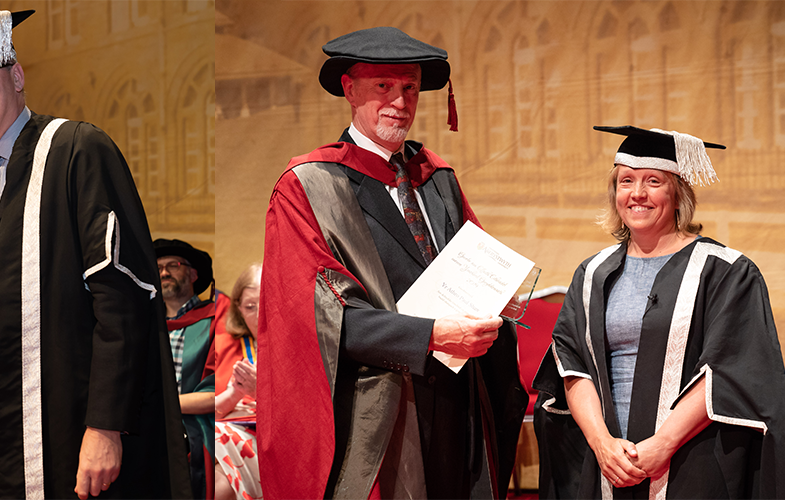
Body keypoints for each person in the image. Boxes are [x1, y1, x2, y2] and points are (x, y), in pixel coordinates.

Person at [0, 10, 188, 499]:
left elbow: (120, 297)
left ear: (16, 76)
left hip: (62, 406)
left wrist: (105, 425)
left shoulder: (77, 151)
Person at [258, 26, 527, 499]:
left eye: (409, 88)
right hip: (377, 406)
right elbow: (319, 317)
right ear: (350, 89)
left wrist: (499, 299)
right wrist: (430, 336)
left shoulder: (436, 177)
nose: (399, 102)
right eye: (383, 86)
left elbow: (475, 261)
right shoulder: (309, 186)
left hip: (457, 393)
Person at [533, 126, 785, 497]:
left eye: (653, 181)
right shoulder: (592, 273)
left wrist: (663, 444)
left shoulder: (726, 271)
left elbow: (728, 368)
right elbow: (571, 364)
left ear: (679, 193)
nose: (637, 193)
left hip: (691, 458)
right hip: (608, 460)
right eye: (626, 181)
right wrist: (602, 443)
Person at [155, 238, 218, 499]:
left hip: (195, 433)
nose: (164, 272)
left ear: (193, 274)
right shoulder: (143, 325)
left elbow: (219, 391)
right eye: (157, 267)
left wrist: (160, 405)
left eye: (173, 265)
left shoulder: (216, 320)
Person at [213, 263, 261, 500]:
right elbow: (210, 409)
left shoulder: (302, 346)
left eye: (268, 302)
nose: (260, 314)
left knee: (217, 484)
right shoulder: (223, 344)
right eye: (250, 307)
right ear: (238, 310)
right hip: (222, 427)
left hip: (269, 439)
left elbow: (313, 418)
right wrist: (234, 394)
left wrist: (259, 392)